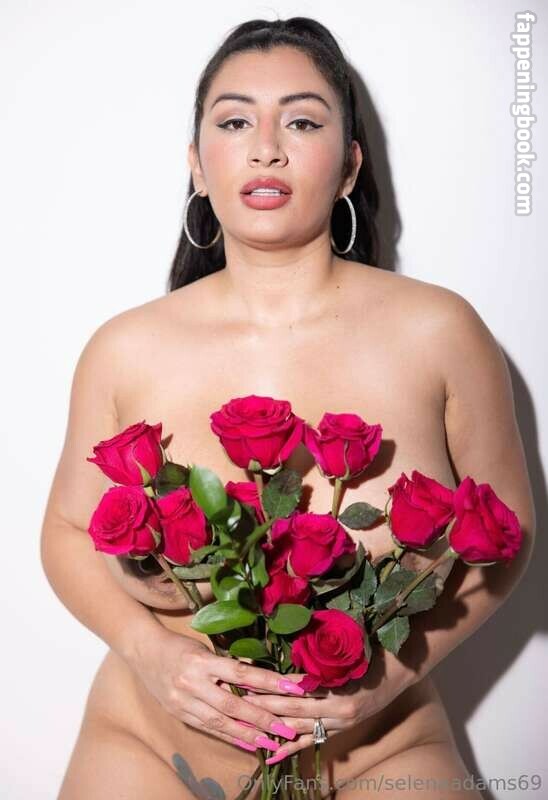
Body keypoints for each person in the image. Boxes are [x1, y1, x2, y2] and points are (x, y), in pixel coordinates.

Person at [40, 16, 535, 800]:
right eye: (235, 122)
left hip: (381, 752)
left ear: (349, 165)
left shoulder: (440, 332)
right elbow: (66, 532)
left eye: (302, 122)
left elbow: (505, 533)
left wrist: (386, 679)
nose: (265, 148)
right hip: (149, 748)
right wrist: (150, 652)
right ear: (197, 164)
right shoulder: (124, 348)